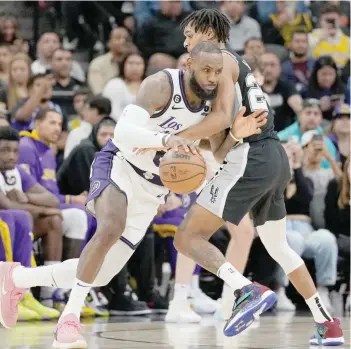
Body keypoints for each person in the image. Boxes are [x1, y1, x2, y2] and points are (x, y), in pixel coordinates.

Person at [0, 41, 266, 347]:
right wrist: (166, 140)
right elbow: (123, 133)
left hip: (152, 190)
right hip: (119, 166)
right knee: (110, 226)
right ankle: (69, 318)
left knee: (100, 274)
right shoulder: (161, 85)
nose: (211, 77)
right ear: (189, 65)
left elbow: (207, 159)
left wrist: (232, 137)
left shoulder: (214, 109)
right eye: (206, 69)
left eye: (217, 72)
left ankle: (16, 279)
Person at [170, 9, 343, 346]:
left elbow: (220, 118)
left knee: (186, 237)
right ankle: (327, 323)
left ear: (207, 31)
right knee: (279, 247)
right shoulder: (227, 68)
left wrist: (179, 136)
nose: (186, 42)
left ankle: (243, 290)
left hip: (253, 156)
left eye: (190, 34)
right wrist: (209, 139)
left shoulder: (221, 58)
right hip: (272, 157)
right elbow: (222, 142)